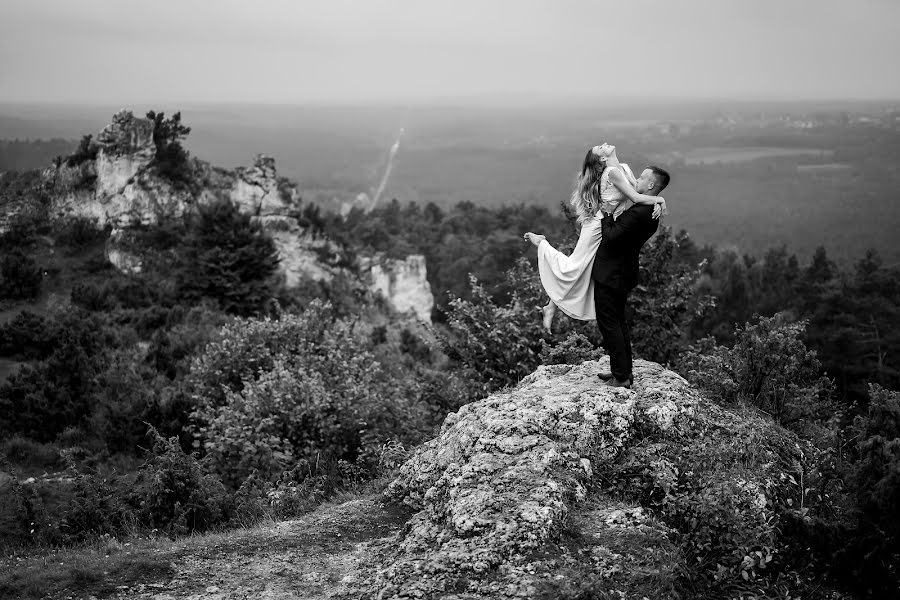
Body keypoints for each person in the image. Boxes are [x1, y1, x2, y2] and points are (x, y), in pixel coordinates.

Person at [523, 143, 665, 331]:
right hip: (597, 226)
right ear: (603, 159)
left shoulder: (623, 168)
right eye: (599, 148)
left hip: (608, 224)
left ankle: (551, 305)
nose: (603, 144)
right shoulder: (613, 172)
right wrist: (660, 200)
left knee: (586, 270)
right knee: (575, 267)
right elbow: (636, 198)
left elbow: (640, 192)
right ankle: (542, 243)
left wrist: (655, 201)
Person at [592, 163, 670, 388]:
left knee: (609, 324)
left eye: (643, 178)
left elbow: (611, 237)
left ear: (652, 184)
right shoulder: (650, 209)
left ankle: (622, 376)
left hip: (612, 274)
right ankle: (623, 370)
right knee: (618, 322)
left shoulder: (640, 212)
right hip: (623, 272)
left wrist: (607, 215)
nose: (637, 180)